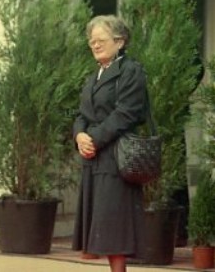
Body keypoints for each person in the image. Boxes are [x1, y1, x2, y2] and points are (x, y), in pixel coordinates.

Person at [72, 15, 146, 272]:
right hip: (94, 159)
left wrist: (93, 138)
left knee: (115, 231)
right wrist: (79, 135)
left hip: (116, 159)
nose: (95, 45)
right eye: (91, 41)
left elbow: (126, 112)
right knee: (103, 229)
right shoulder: (94, 75)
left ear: (120, 41)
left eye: (101, 40)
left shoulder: (131, 70)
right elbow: (82, 114)